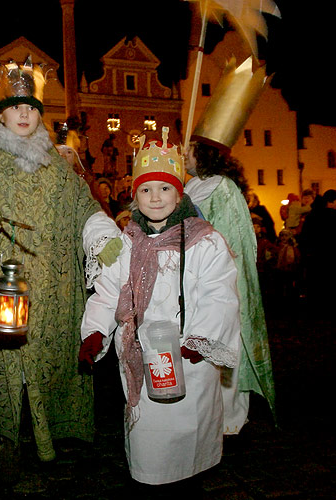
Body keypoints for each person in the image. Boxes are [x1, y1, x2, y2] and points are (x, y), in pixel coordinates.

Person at [0, 57, 120, 472]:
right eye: (14, 107)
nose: (23, 114)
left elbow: (85, 208)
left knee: (45, 362)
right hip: (2, 285)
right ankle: (7, 438)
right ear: (1, 114)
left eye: (31, 108)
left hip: (53, 288)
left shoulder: (59, 168)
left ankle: (47, 434)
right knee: (7, 364)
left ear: (39, 115)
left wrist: (102, 235)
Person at [79, 128, 240, 486]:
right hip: (144, 357)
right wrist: (94, 332)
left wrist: (200, 341)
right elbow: (108, 292)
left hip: (187, 360)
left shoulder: (204, 241)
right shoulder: (128, 242)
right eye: (146, 190)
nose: (155, 198)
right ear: (135, 196)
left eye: (165, 188)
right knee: (150, 448)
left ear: (178, 193)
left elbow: (219, 293)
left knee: (190, 446)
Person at [183, 56, 276, 435]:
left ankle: (233, 417)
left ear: (203, 153)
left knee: (224, 344)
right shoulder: (189, 187)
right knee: (201, 343)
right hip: (192, 280)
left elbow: (233, 237)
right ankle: (206, 411)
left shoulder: (223, 189)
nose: (182, 154)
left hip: (220, 280)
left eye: (188, 150)